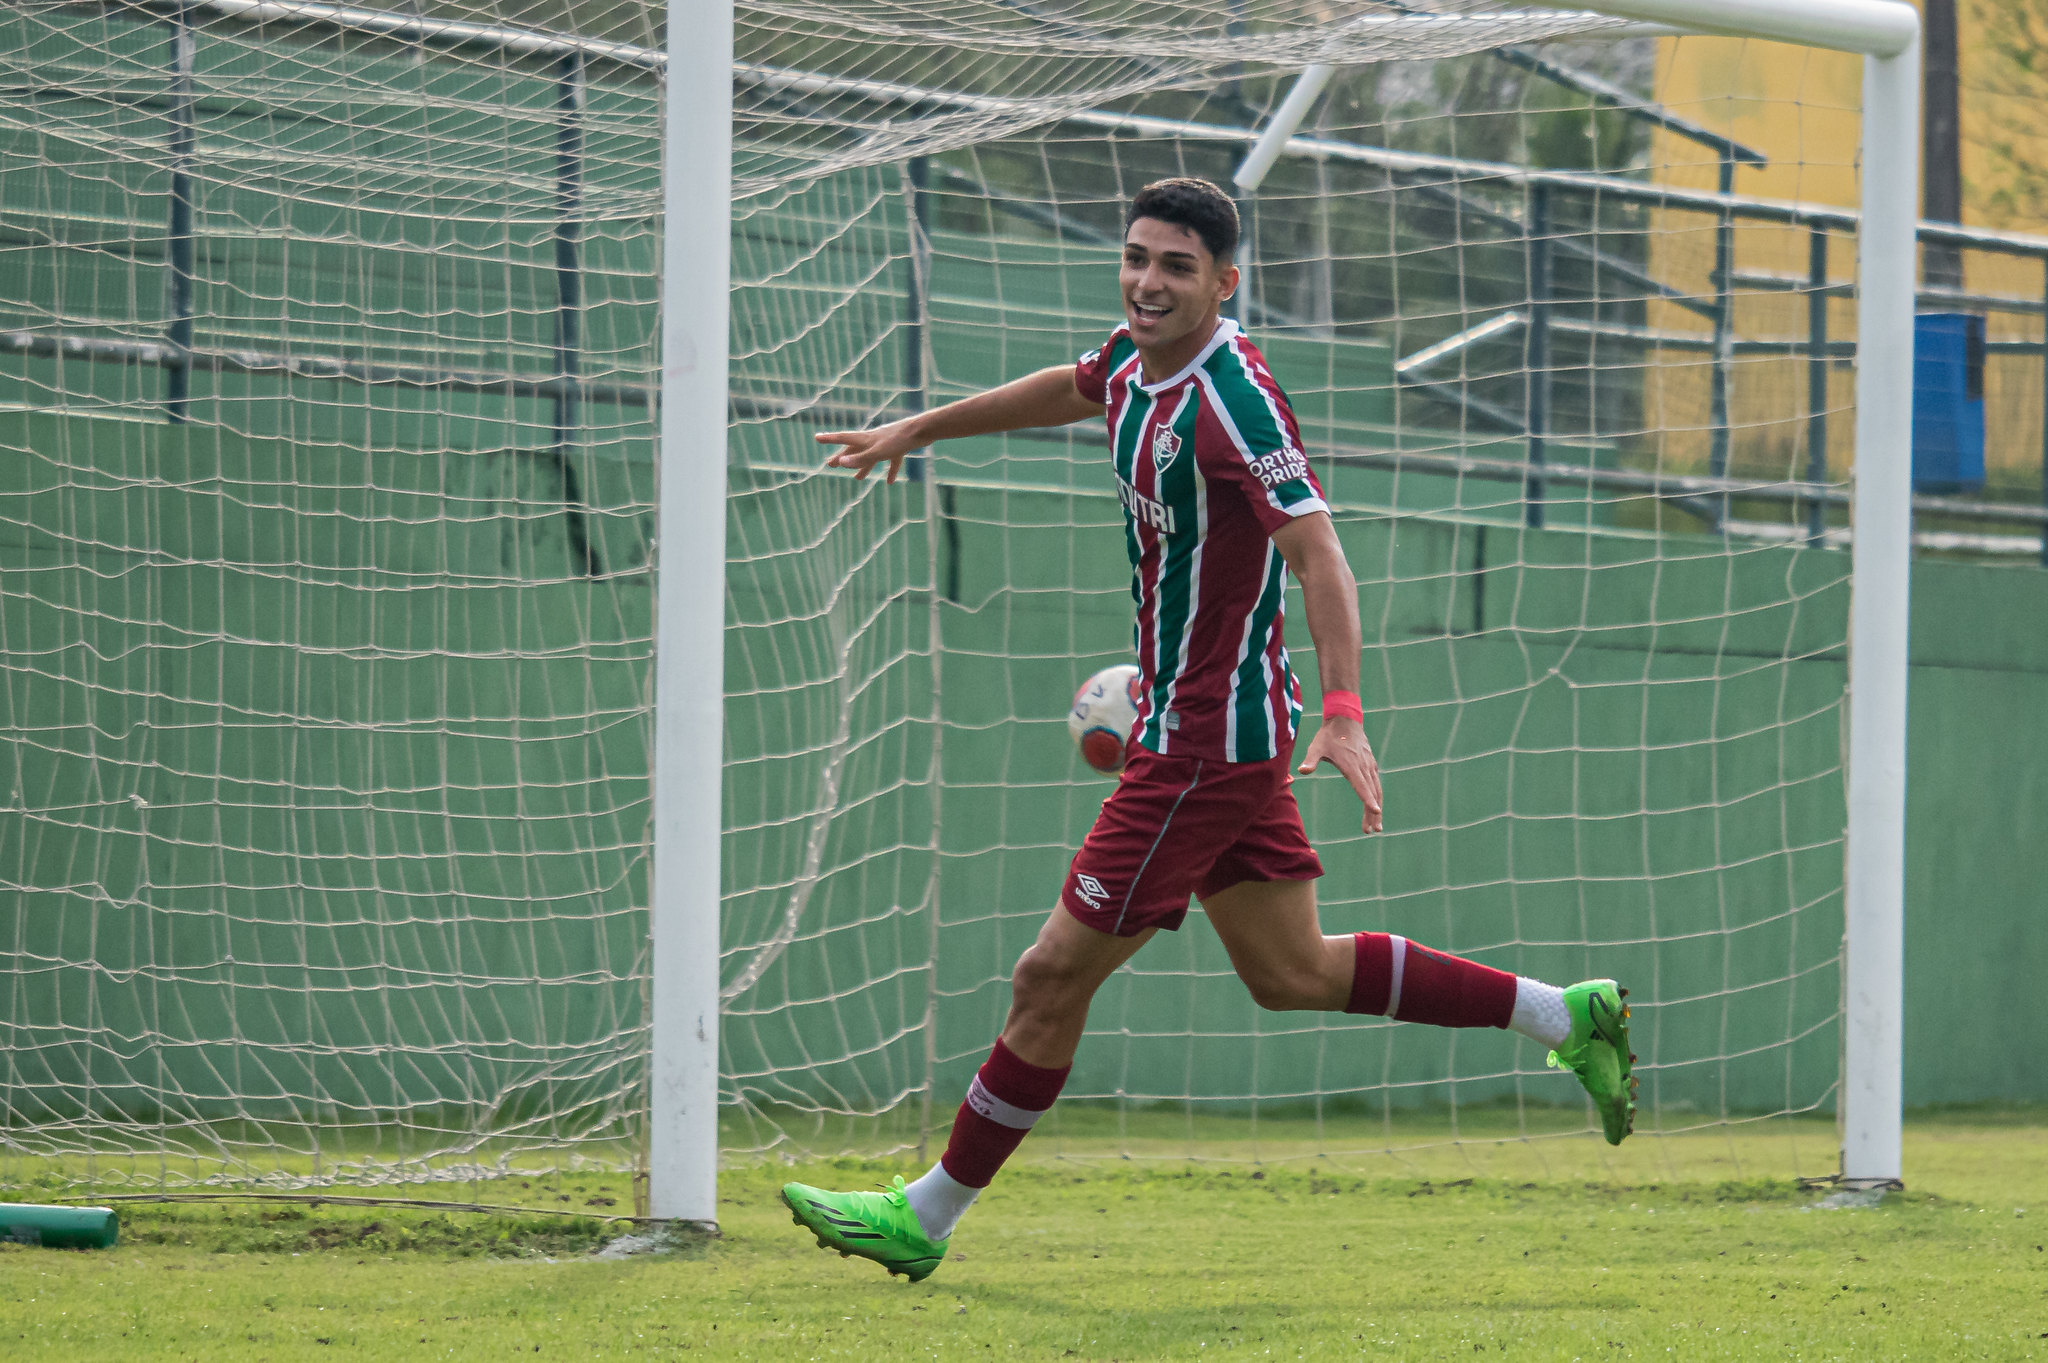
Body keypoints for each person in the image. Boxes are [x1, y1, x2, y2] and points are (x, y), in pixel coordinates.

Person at [782, 177, 1635, 1282]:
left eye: (1175, 267)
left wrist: (1345, 714)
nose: (1146, 281)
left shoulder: (1232, 395)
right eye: (1136, 257)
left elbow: (1318, 550)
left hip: (1202, 744)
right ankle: (1563, 1016)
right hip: (1205, 730)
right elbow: (1071, 386)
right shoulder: (1137, 361)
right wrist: (923, 425)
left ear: (1222, 283)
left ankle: (925, 1215)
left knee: (1049, 977)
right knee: (1290, 971)